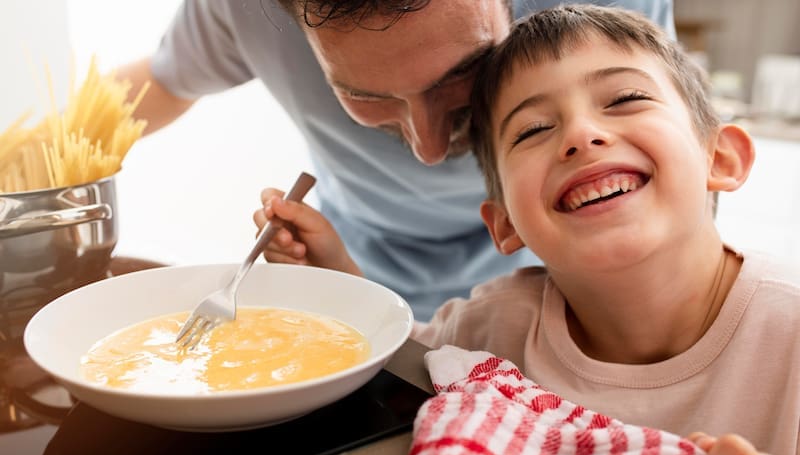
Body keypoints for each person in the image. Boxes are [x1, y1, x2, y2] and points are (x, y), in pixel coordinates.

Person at [252, 4, 800, 455]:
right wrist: (334, 276)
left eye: (625, 99)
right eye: (534, 130)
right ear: (505, 224)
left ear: (721, 158)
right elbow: (399, 362)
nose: (581, 136)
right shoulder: (491, 330)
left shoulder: (790, 332)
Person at [116, 0, 674, 321]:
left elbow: (673, 151)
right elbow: (158, 85)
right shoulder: (238, 11)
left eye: (466, 72)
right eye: (367, 96)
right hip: (360, 286)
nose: (430, 150)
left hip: (574, 292)